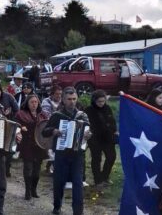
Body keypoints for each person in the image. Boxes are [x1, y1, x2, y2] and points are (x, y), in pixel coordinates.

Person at [42, 87, 92, 215]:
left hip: (77, 154)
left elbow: (88, 131)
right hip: (61, 153)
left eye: (74, 99)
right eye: (69, 99)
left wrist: (88, 135)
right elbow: (44, 131)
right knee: (59, 182)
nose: (72, 102)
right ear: (63, 100)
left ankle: (78, 211)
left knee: (78, 183)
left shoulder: (82, 115)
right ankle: (57, 206)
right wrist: (54, 131)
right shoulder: (57, 116)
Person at [15, 94, 48, 200]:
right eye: (32, 102)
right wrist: (21, 127)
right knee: (28, 169)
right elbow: (16, 125)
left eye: (36, 102)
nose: (34, 104)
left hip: (39, 145)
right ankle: (27, 191)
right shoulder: (21, 114)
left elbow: (46, 127)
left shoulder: (42, 115)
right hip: (27, 144)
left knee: (37, 171)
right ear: (27, 103)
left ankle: (34, 189)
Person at [85, 90, 117, 188]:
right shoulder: (89, 110)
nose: (101, 104)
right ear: (94, 100)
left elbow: (112, 121)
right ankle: (98, 180)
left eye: (103, 101)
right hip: (95, 138)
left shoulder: (107, 108)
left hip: (107, 137)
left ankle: (105, 176)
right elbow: (86, 124)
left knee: (111, 157)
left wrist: (114, 130)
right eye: (99, 101)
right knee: (96, 158)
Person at [0, 80, 19, 177]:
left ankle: (7, 168)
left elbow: (17, 110)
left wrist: (10, 116)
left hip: (9, 126)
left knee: (9, 149)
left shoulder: (9, 97)